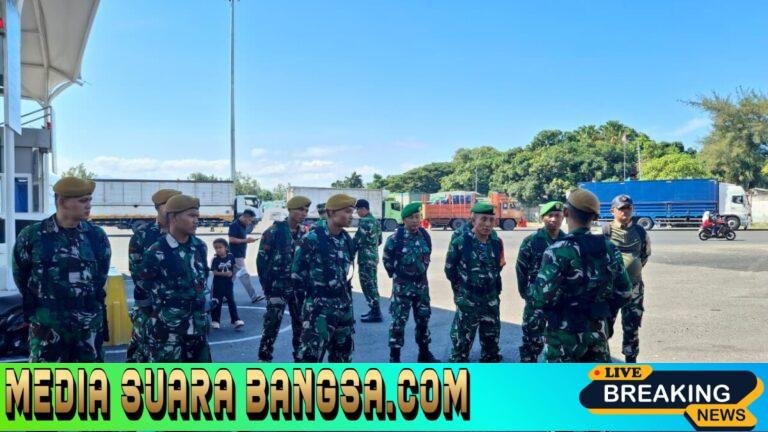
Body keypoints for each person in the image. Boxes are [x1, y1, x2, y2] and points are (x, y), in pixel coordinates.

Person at [12, 177, 111, 362]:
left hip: (87, 330)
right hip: (47, 329)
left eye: (89, 200)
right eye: (83, 200)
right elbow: (20, 276)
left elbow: (101, 276)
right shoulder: (32, 236)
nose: (88, 205)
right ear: (62, 202)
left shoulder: (96, 236)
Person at [530, 188, 632, 363]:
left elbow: (541, 298)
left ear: (566, 212)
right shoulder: (609, 248)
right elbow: (625, 292)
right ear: (594, 217)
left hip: (562, 336)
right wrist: (603, 314)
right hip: (597, 332)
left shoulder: (557, 250)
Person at [140, 194, 212, 362]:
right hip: (169, 334)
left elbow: (202, 281)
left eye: (197, 216)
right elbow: (142, 291)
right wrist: (161, 315)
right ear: (173, 217)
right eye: (191, 216)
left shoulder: (200, 247)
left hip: (198, 328)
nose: (196, 221)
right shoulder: (157, 251)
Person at [292, 194, 357, 362]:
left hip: (343, 307)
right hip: (318, 309)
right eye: (347, 211)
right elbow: (297, 277)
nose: (351, 216)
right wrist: (307, 308)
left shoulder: (346, 239)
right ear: (331, 212)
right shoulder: (311, 239)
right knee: (310, 359)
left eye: (352, 212)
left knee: (343, 358)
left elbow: (346, 273)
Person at [444, 202, 505, 363]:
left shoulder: (496, 242)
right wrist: (461, 291)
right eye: (483, 219)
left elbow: (498, 266)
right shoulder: (461, 242)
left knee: (491, 342)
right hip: (468, 298)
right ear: (473, 220)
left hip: (490, 299)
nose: (487, 224)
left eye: (491, 220)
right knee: (461, 344)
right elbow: (450, 270)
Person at [126, 188, 180, 362]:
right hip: (150, 311)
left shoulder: (184, 233)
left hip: (179, 311)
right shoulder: (143, 235)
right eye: (168, 204)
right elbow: (137, 275)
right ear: (157, 207)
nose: (174, 209)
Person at [256, 195, 310, 362]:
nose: (304, 213)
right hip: (277, 287)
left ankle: (300, 359)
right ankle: (264, 359)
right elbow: (261, 261)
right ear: (290, 210)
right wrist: (267, 287)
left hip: (299, 288)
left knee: (301, 324)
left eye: (306, 210)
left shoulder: (306, 233)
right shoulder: (274, 231)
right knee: (271, 324)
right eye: (300, 209)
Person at [382, 202, 438, 362]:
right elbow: (387, 260)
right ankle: (394, 358)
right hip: (402, 288)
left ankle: (424, 353)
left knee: (423, 320)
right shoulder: (395, 239)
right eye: (411, 218)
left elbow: (427, 256)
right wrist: (399, 277)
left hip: (422, 287)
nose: (415, 220)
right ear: (404, 220)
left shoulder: (425, 236)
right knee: (398, 322)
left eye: (417, 217)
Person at [515, 201, 566, 362]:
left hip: (560, 301)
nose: (554, 219)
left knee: (559, 343)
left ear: (563, 217)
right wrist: (526, 293)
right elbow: (521, 268)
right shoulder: (531, 241)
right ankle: (528, 371)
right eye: (550, 215)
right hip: (536, 301)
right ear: (542, 218)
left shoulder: (568, 241)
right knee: (531, 341)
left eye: (557, 215)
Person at [604, 194, 651, 363]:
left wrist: (632, 269)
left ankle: (631, 361)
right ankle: (604, 360)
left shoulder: (640, 231)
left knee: (632, 327)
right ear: (613, 211)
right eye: (621, 208)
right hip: (611, 290)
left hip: (634, 289)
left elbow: (645, 254)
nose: (625, 211)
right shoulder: (605, 231)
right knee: (604, 326)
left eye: (628, 208)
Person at [354, 199, 384, 323]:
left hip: (365, 258)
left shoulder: (364, 222)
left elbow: (356, 240)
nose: (357, 212)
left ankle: (375, 312)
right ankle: (374, 310)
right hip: (373, 257)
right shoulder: (376, 221)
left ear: (363, 209)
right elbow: (380, 240)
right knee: (373, 283)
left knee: (367, 285)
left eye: (358, 210)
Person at [228, 209, 264, 303]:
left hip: (239, 254)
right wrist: (246, 240)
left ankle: (223, 295)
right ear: (245, 217)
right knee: (244, 276)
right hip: (236, 254)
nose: (250, 222)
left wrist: (248, 240)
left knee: (230, 278)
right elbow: (231, 240)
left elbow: (239, 238)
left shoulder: (242, 225)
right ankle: (254, 297)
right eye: (250, 220)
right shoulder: (234, 225)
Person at [210, 238, 244, 330]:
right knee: (217, 302)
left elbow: (233, 266)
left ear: (226, 248)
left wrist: (237, 271)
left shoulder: (231, 256)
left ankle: (235, 319)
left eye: (220, 247)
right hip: (218, 285)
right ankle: (215, 321)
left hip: (228, 284)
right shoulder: (215, 259)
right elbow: (214, 272)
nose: (218, 250)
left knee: (231, 301)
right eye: (216, 248)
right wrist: (224, 274)